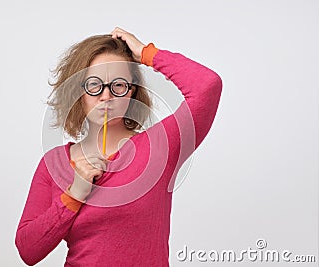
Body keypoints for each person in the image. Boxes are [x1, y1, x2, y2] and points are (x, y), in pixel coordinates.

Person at [15, 27, 222, 266]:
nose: (106, 96)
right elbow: (28, 250)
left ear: (132, 91)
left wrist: (146, 54)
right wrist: (74, 194)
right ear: (77, 92)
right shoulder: (55, 163)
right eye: (94, 85)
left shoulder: (162, 146)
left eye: (118, 85)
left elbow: (208, 86)